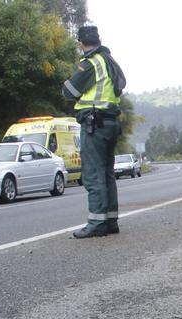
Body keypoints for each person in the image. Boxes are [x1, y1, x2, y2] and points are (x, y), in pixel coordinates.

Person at [62, 25, 126, 238]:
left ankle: (97, 223)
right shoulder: (109, 60)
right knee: (107, 174)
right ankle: (110, 221)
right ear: (99, 40)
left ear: (81, 43)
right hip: (110, 122)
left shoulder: (90, 63)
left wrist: (67, 82)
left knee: (92, 174)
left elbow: (68, 91)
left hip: (94, 123)